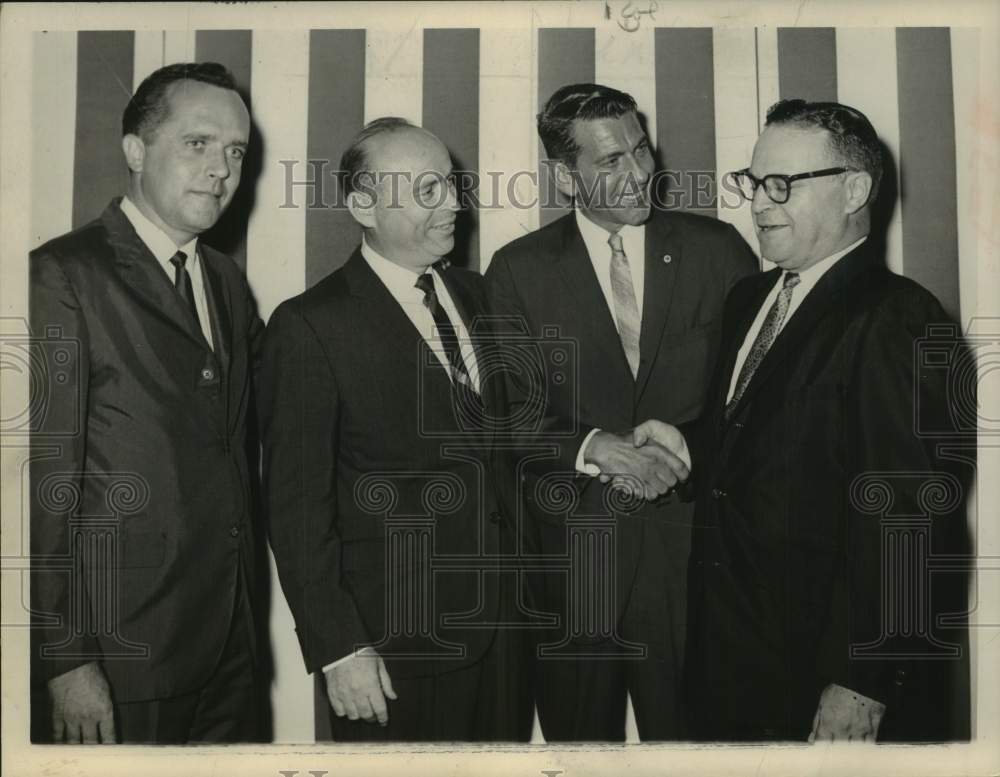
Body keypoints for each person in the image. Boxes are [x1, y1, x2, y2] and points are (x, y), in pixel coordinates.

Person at [635, 99, 971, 742]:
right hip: (729, 657)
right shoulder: (752, 298)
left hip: (824, 678)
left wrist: (866, 677)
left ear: (854, 190)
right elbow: (771, 438)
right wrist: (687, 443)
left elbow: (913, 514)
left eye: (782, 184)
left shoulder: (898, 316)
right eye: (754, 182)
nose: (760, 204)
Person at [485, 83, 758, 741]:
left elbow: (755, 400)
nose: (639, 174)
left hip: (692, 562)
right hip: (576, 573)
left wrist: (688, 447)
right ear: (564, 173)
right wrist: (592, 446)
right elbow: (506, 414)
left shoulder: (719, 251)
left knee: (698, 749)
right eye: (611, 161)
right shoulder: (516, 270)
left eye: (642, 149)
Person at [258, 118, 533, 741]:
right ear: (363, 206)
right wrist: (339, 649)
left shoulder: (480, 294)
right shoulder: (309, 326)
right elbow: (297, 511)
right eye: (428, 191)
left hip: (508, 637)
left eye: (452, 186)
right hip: (394, 653)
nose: (454, 205)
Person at [30, 62, 264, 743]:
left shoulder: (223, 281)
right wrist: (66, 659)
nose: (221, 168)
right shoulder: (62, 276)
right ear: (135, 150)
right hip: (120, 653)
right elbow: (37, 487)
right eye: (198, 142)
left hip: (230, 645)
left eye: (236, 151)